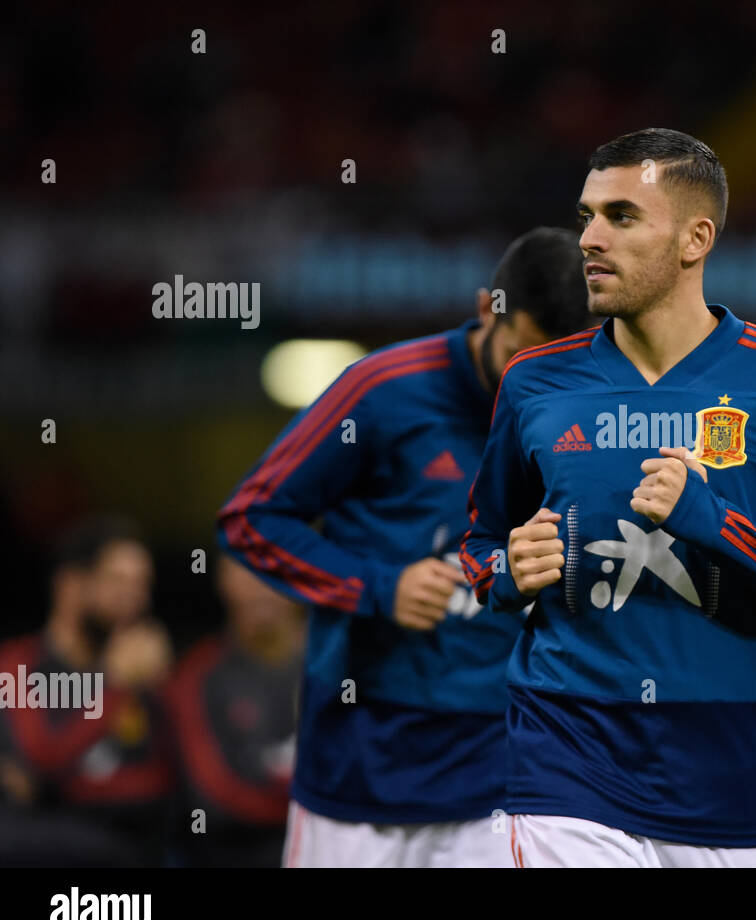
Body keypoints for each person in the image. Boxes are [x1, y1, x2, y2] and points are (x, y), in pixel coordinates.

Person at [461, 128, 756, 867]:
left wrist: (714, 523)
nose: (590, 238)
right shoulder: (534, 382)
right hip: (564, 759)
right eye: (587, 214)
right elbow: (481, 542)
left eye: (621, 216)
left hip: (723, 779)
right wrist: (504, 570)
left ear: (696, 239)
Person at [217, 227, 592, 867]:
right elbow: (252, 519)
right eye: (521, 355)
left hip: (505, 774)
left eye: (556, 364)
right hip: (362, 768)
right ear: (486, 310)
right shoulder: (383, 392)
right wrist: (377, 585)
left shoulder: (585, 412)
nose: (533, 383)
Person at [0, 515, 174, 866]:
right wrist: (114, 686)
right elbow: (40, 762)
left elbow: (171, 787)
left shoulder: (152, 675)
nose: (135, 598)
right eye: (118, 581)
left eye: (143, 584)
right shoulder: (16, 665)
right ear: (71, 584)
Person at [166, 556, 305, 867]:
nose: (259, 584)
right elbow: (208, 799)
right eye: (244, 566)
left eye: (273, 563)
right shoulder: (197, 674)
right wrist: (310, 807)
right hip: (235, 853)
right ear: (223, 580)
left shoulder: (341, 671)